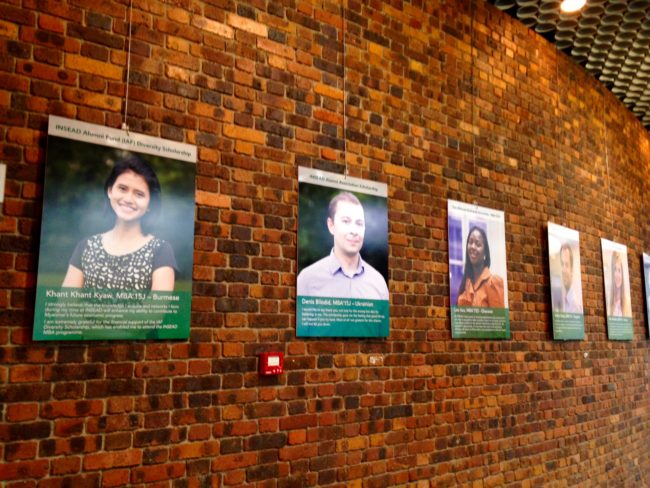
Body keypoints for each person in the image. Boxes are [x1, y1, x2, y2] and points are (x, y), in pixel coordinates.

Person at [62, 155, 177, 291]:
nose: (128, 199)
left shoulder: (160, 250)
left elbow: (156, 311)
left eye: (139, 194)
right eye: (122, 188)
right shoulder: (86, 247)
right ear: (110, 191)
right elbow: (65, 305)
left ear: (150, 204)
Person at [296, 191, 388, 300]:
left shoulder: (378, 283)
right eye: (346, 221)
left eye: (359, 223)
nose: (354, 231)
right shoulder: (307, 280)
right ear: (331, 226)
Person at [456, 226, 504, 308]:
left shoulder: (493, 283)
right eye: (470, 242)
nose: (473, 247)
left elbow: (499, 320)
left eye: (478, 244)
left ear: (485, 253)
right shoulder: (466, 284)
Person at [556, 243, 583, 313]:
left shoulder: (575, 307)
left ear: (572, 270)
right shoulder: (562, 299)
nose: (563, 270)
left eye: (567, 265)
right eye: (562, 264)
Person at [609, 251, 631, 317]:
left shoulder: (627, 301)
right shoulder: (610, 301)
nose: (617, 275)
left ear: (622, 274)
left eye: (619, 270)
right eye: (615, 270)